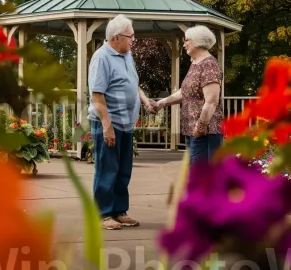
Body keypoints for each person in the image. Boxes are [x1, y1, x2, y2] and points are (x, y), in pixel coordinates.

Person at [88, 14, 156, 230]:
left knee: (123, 170)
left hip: (127, 123)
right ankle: (103, 214)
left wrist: (145, 101)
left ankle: (119, 211)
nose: (133, 39)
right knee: (107, 168)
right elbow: (97, 96)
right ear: (116, 37)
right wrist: (107, 126)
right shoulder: (102, 58)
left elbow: (133, 84)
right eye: (130, 36)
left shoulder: (127, 55)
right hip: (109, 122)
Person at [156, 25, 223, 164]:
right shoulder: (195, 64)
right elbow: (185, 91)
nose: (184, 43)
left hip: (205, 132)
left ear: (198, 42)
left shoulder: (209, 65)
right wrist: (162, 103)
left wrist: (201, 126)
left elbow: (211, 101)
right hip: (192, 130)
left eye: (187, 40)